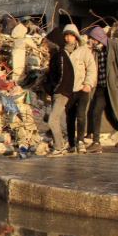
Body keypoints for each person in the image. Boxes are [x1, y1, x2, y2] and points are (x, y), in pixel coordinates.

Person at [62, 24, 97, 154]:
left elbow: (92, 69)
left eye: (70, 35)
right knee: (70, 117)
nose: (68, 38)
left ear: (75, 37)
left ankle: (80, 141)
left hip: (82, 89)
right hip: (68, 91)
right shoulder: (62, 52)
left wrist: (88, 84)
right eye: (66, 35)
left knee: (81, 115)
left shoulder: (84, 51)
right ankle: (71, 143)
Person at [44, 27, 75, 156]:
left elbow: (66, 75)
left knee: (52, 120)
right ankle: (62, 144)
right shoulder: (55, 55)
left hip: (62, 93)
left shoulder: (61, 56)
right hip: (57, 92)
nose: (46, 44)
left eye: (48, 42)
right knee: (57, 120)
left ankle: (59, 146)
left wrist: (57, 89)